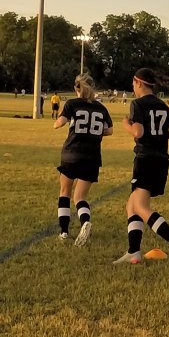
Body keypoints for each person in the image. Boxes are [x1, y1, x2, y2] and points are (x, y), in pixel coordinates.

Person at [114, 68, 169, 266]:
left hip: (145, 158)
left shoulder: (137, 104)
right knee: (131, 205)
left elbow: (137, 132)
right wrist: (161, 136)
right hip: (161, 159)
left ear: (138, 83)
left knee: (140, 206)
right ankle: (133, 252)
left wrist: (125, 124)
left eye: (133, 84)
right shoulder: (162, 104)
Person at [54, 75, 113, 245]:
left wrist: (58, 122)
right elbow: (109, 131)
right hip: (92, 157)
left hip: (71, 153)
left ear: (76, 88)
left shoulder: (72, 104)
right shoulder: (101, 108)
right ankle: (85, 221)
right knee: (80, 197)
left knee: (65, 192)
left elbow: (59, 123)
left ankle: (64, 232)